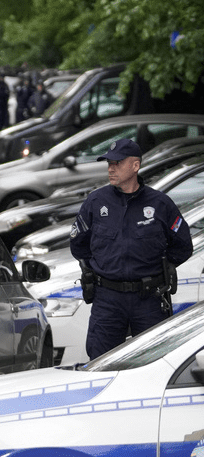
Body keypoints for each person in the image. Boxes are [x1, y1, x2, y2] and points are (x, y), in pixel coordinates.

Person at [70, 138, 192, 360]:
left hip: (149, 299)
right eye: (109, 163)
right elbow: (78, 245)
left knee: (154, 362)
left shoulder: (159, 204)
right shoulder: (96, 202)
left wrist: (156, 269)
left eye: (117, 163)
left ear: (135, 166)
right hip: (108, 299)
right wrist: (102, 268)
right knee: (100, 362)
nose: (111, 168)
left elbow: (183, 246)